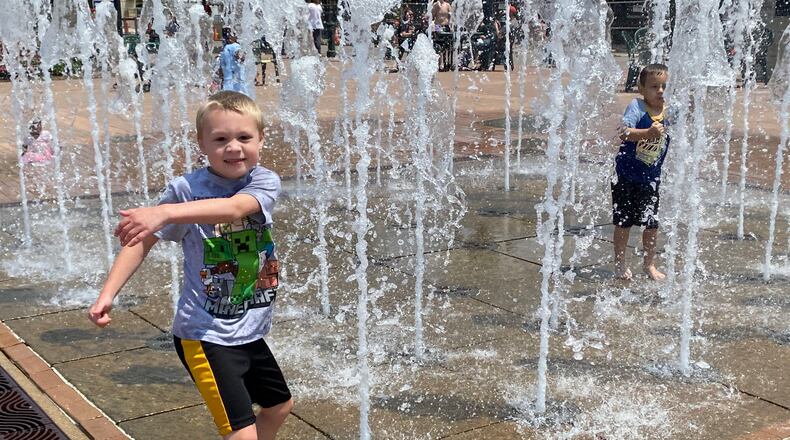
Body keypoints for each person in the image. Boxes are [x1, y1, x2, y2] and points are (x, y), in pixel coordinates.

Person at [88, 91, 293, 440]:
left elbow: (233, 210)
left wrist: (164, 211)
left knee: (278, 406)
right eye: (221, 139)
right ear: (201, 143)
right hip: (205, 334)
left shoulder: (263, 181)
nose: (234, 147)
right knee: (241, 433)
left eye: (244, 137)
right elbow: (142, 241)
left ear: (260, 139)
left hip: (249, 328)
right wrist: (107, 293)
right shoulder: (185, 190)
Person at [612, 64, 670, 281]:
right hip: (626, 175)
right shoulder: (637, 107)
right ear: (642, 89)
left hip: (650, 178)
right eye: (655, 86)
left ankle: (649, 264)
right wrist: (648, 132)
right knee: (623, 221)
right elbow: (624, 132)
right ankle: (620, 262)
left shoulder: (668, 111)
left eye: (664, 86)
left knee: (651, 223)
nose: (660, 91)